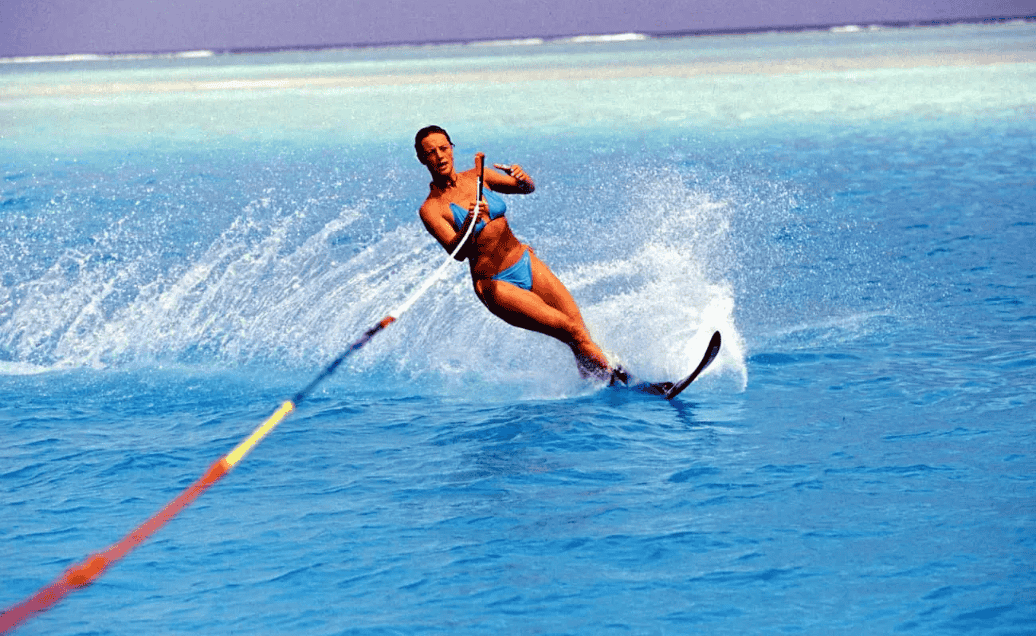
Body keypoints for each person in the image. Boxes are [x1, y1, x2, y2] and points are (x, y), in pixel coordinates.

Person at [414, 125, 627, 383]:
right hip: (497, 285)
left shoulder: (478, 175)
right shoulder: (432, 209)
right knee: (570, 331)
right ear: (422, 158)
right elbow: (457, 253)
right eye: (431, 152)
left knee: (578, 332)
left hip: (524, 260)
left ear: (451, 149)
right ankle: (628, 382)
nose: (439, 156)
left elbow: (526, 189)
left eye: (443, 148)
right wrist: (470, 223)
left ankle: (597, 385)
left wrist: (523, 178)